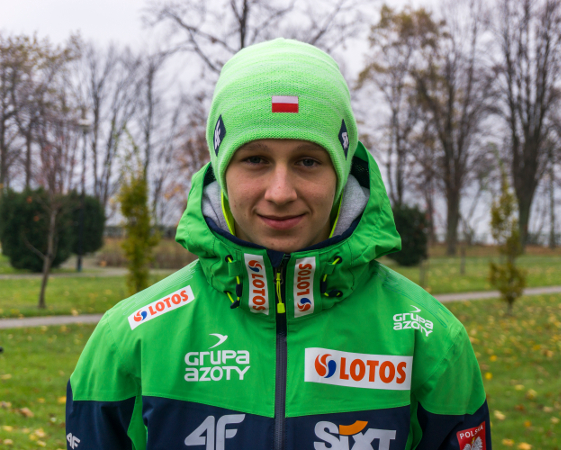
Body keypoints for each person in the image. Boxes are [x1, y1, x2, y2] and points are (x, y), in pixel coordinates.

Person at [66, 38, 491, 450]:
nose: (281, 192)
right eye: (255, 159)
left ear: (341, 172)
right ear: (221, 170)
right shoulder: (129, 340)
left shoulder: (430, 341)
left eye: (308, 161)